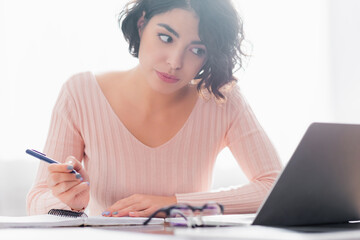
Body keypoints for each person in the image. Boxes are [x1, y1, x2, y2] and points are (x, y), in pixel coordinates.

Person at [27, 0, 282, 217]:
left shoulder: (221, 100)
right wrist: (70, 204)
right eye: (165, 37)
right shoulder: (81, 93)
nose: (175, 62)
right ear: (141, 24)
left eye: (196, 50)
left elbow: (275, 186)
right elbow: (38, 198)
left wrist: (176, 204)